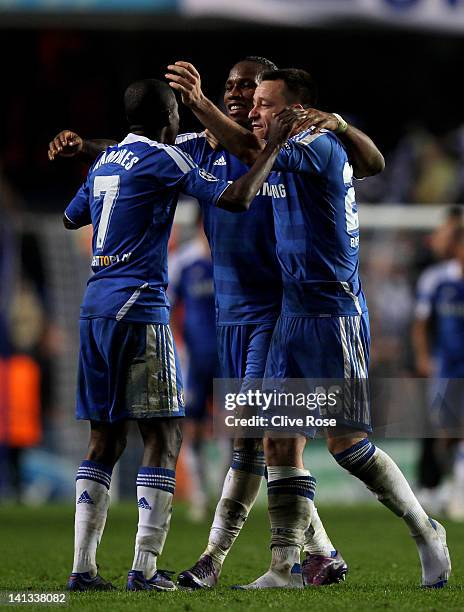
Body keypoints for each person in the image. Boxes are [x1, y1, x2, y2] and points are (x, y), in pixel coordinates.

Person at [48, 56, 384, 590]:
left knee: (258, 436)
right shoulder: (198, 151)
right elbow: (140, 152)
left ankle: (230, 560)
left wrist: (203, 110)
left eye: (247, 89)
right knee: (254, 440)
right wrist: (86, 147)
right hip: (229, 315)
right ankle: (317, 552)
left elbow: (334, 160)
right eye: (229, 87)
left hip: (277, 312)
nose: (237, 96)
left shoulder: (269, 150)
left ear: (266, 103)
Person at [166, 62, 451, 589]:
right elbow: (368, 159)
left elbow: (263, 157)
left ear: (294, 110)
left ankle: (425, 529)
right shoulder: (295, 141)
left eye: (264, 104)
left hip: (332, 312)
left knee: (349, 448)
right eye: (253, 106)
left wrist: (325, 126)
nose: (255, 113)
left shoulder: (315, 145)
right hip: (288, 314)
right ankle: (285, 568)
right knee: (274, 440)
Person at [56, 77, 296, 592]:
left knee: (104, 437)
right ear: (170, 120)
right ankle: (144, 569)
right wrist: (271, 150)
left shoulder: (104, 162)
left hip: (94, 308)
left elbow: (72, 215)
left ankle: (82, 569)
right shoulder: (168, 159)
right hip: (140, 307)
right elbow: (232, 198)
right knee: (164, 435)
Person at [168, 216, 220, 521]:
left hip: (228, 356)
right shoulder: (182, 263)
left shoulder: (231, 258)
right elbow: (168, 306)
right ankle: (200, 495)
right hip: (194, 359)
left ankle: (226, 495)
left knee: (232, 425)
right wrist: (181, 349)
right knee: (193, 426)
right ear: (203, 226)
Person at [413, 223, 464, 520]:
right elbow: (420, 323)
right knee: (444, 431)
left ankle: (457, 487)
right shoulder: (436, 280)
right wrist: (423, 357)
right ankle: (445, 484)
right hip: (445, 365)